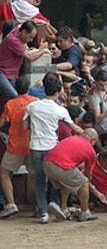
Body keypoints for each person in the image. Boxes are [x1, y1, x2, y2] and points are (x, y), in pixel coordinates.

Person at [24, 74, 84, 223]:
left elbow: (24, 127)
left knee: (40, 181)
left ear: (44, 89)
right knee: (56, 179)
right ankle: (55, 203)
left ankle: (43, 212)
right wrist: (85, 134)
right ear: (58, 92)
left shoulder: (32, 106)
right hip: (53, 148)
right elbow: (74, 127)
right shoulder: (60, 110)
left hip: (36, 146)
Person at [0, 77, 38, 218]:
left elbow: (2, 122)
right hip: (32, 144)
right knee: (34, 175)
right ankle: (38, 205)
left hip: (15, 145)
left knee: (4, 173)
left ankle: (11, 204)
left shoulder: (10, 104)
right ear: (28, 88)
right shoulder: (35, 101)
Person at [43, 129, 99, 222]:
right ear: (93, 140)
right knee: (84, 182)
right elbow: (88, 173)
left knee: (66, 182)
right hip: (61, 166)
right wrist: (91, 188)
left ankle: (63, 209)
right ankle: (85, 212)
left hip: (46, 163)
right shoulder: (90, 150)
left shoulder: (71, 138)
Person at [0, 20, 49, 98]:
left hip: (12, 74)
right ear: (23, 32)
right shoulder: (12, 39)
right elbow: (29, 57)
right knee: (14, 95)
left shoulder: (19, 33)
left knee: (20, 95)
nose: (31, 40)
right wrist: (42, 50)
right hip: (2, 72)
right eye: (30, 37)